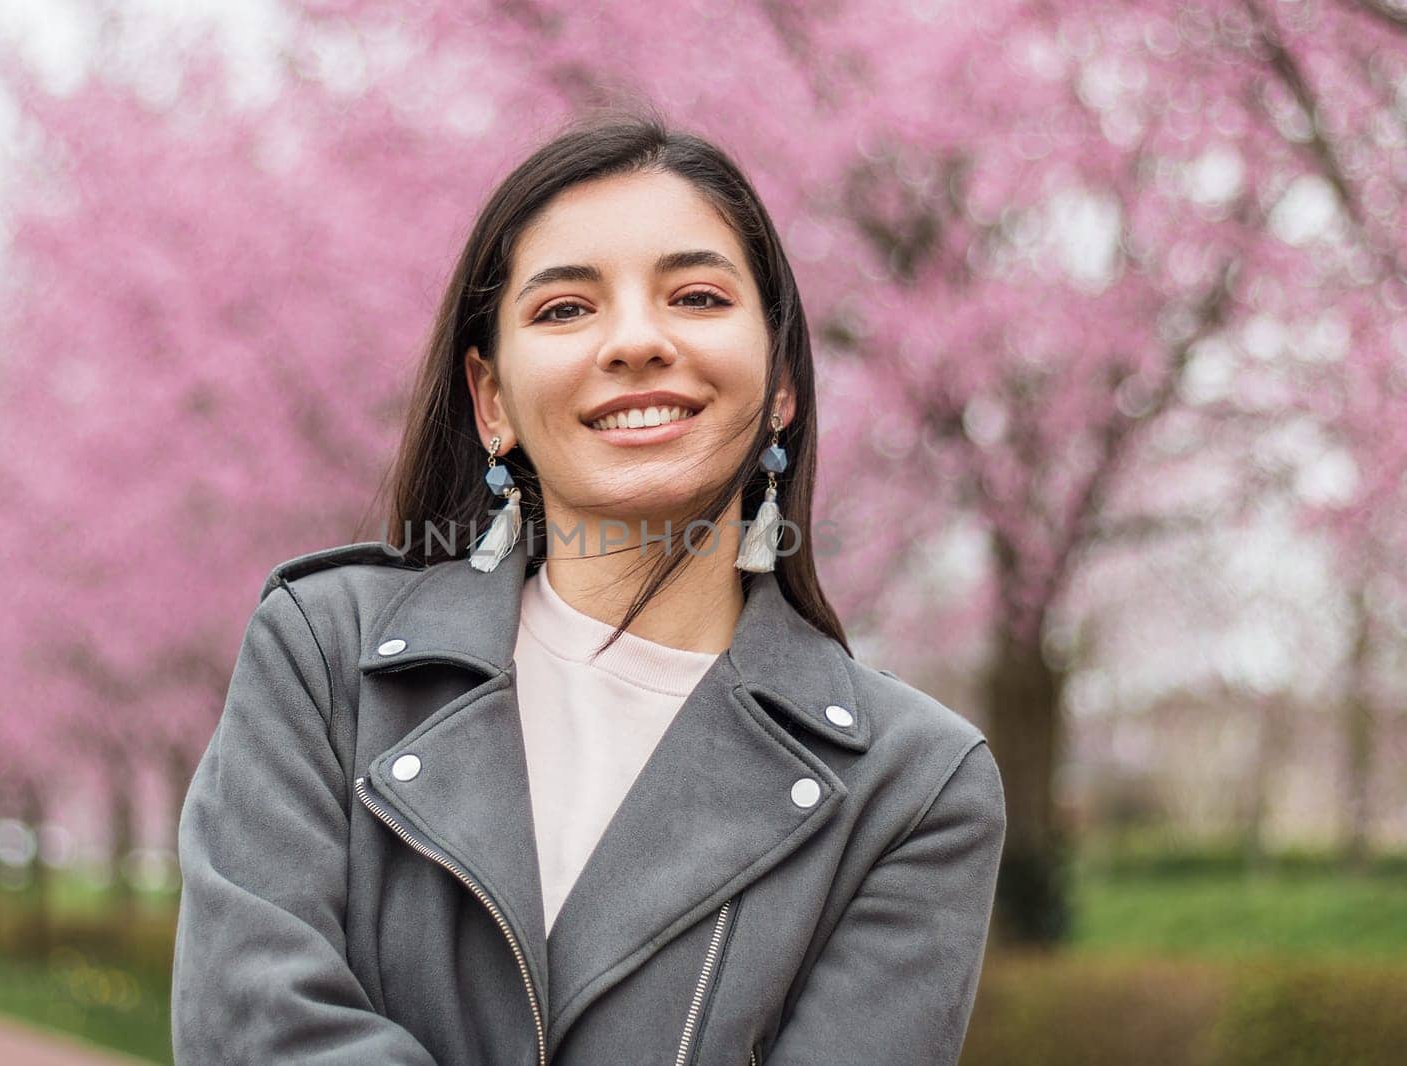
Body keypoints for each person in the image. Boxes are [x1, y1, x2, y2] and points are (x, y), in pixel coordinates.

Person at [171, 109, 1006, 1066]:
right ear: (493, 403)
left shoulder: (912, 787)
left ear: (781, 384)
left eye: (695, 297)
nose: (636, 341)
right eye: (566, 309)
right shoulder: (325, 658)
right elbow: (255, 1032)